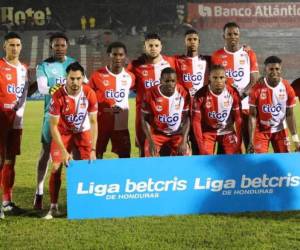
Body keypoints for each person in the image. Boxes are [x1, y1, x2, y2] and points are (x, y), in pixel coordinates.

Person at [44, 62, 98, 219]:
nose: (75, 82)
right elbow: (53, 126)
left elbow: (94, 122)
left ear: (83, 79)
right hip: (63, 132)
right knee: (55, 166)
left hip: (82, 132)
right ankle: (53, 207)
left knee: (89, 166)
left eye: (78, 79)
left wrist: (93, 149)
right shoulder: (58, 96)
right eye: (72, 79)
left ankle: (87, 205)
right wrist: (63, 151)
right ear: (66, 78)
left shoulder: (89, 93)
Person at [33, 32, 76, 210]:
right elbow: (43, 88)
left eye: (62, 45)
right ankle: (39, 192)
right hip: (51, 116)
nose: (59, 48)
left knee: (71, 156)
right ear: (51, 47)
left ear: (67, 46)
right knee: (45, 154)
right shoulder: (44, 66)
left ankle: (74, 194)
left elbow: (85, 83)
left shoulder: (73, 64)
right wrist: (65, 89)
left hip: (72, 118)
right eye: (56, 45)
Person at [211, 22, 259, 150]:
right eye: (229, 34)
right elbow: (213, 80)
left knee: (249, 142)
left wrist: (241, 94)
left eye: (235, 34)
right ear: (224, 36)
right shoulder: (216, 56)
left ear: (239, 35)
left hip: (245, 104)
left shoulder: (249, 54)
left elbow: (255, 79)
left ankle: (249, 168)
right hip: (224, 106)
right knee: (226, 144)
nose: (233, 37)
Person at [0, 32, 32, 219]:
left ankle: (7, 202)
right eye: (11, 45)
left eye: (18, 45)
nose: (15, 48)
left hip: (17, 122)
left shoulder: (24, 69)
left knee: (11, 161)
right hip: (1, 121)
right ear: (4, 46)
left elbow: (26, 91)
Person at [128, 33, 175, 156]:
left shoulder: (171, 62)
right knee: (144, 150)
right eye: (150, 45)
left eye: (156, 45)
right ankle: (145, 175)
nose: (153, 48)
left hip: (166, 114)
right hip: (144, 116)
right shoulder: (135, 65)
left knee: (167, 150)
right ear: (145, 47)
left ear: (161, 47)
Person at [88, 42, 135, 158]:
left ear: (125, 56)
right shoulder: (97, 75)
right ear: (109, 55)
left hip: (121, 126)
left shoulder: (130, 77)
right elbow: (88, 97)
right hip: (100, 126)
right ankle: (96, 177)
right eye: (114, 54)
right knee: (96, 157)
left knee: (125, 159)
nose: (118, 58)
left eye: (120, 55)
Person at [248, 56, 300, 153]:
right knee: (260, 161)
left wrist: (296, 140)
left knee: (284, 159)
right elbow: (252, 115)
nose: (274, 72)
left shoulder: (287, 88)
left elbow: (290, 115)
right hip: (261, 131)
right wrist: (251, 140)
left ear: (281, 70)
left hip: (280, 130)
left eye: (277, 69)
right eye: (271, 69)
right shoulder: (256, 89)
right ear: (265, 70)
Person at [192, 64, 242, 155]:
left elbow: (238, 119)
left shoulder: (233, 93)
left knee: (235, 157)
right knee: (205, 158)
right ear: (209, 78)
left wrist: (239, 142)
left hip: (227, 131)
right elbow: (196, 121)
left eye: (221, 77)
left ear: (226, 78)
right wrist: (201, 146)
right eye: (215, 78)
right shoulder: (200, 95)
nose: (218, 81)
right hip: (208, 132)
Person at [175, 29, 210, 154]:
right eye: (189, 39)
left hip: (201, 109)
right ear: (185, 42)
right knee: (180, 144)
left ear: (199, 42)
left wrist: (245, 49)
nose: (192, 42)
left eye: (195, 39)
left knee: (199, 143)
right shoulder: (177, 61)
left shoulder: (207, 60)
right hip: (182, 108)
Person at [141, 67, 190, 157]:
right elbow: (144, 118)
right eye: (167, 81)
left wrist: (184, 140)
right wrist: (150, 140)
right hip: (157, 134)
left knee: (185, 155)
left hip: (177, 133)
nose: (170, 84)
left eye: (173, 81)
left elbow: (187, 118)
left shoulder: (183, 92)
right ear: (160, 81)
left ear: (176, 81)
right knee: (150, 156)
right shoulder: (150, 94)